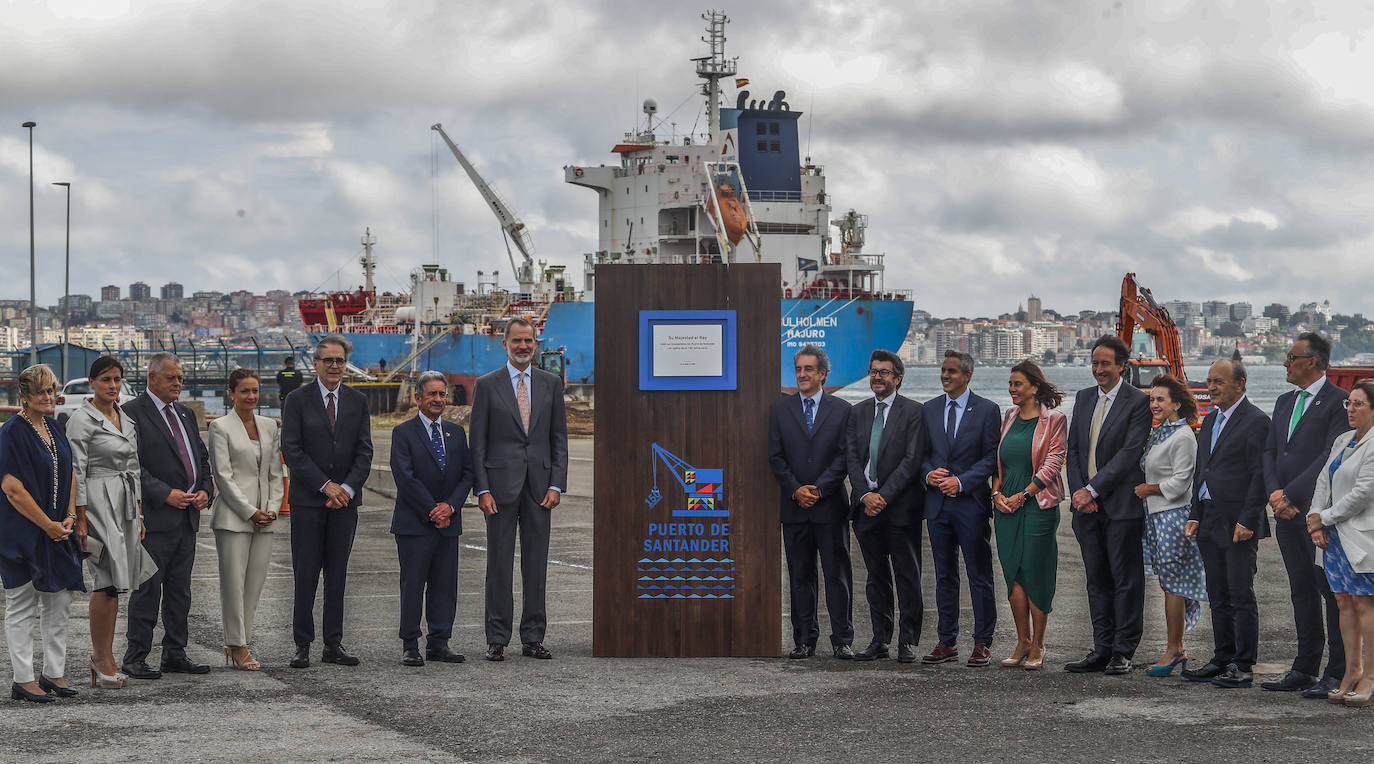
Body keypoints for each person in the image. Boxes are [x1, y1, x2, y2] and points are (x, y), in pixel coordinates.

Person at [470, 318, 568, 661]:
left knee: (536, 565)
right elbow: (477, 443)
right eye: (517, 341)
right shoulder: (486, 385)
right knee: (498, 565)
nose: (523, 346)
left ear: (536, 343)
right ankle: (497, 638)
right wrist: (481, 489)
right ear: (505, 344)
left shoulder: (551, 383)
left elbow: (559, 439)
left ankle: (533, 638)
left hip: (541, 489)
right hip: (498, 489)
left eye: (528, 340)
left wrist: (557, 484)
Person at [1262, 332, 1352, 697]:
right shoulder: (1284, 402)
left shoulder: (1338, 402)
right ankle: (1304, 666)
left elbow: (1330, 455)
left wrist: (1292, 494)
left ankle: (1337, 671)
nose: (1285, 363)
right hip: (1284, 512)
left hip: (1316, 513)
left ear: (1311, 361)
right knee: (1300, 590)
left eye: (1290, 357)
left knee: (1331, 592)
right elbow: (1270, 451)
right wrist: (1274, 493)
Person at [281, 334, 373, 669]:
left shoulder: (358, 401)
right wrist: (325, 485)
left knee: (337, 575)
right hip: (308, 502)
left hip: (344, 504)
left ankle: (333, 643)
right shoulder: (297, 400)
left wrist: (345, 489)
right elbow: (292, 450)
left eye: (339, 360)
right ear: (316, 364)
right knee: (305, 574)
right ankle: (302, 644)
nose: (334, 366)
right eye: (328, 360)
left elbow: (364, 451)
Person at [121, 352, 213, 679]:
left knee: (180, 592)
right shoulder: (132, 414)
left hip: (187, 519)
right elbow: (131, 466)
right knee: (147, 590)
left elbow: (201, 460)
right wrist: (164, 493)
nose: (178, 383)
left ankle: (175, 652)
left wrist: (205, 490)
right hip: (155, 520)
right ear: (152, 378)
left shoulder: (186, 414)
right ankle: (135, 656)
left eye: (180, 377)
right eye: (171, 377)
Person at [1064, 335, 1152, 675]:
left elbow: (1129, 455)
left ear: (1121, 366)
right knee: (1096, 578)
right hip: (1084, 507)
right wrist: (1078, 492)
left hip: (1119, 507)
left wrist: (1093, 490)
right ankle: (1101, 647)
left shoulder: (1137, 402)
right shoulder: (1084, 398)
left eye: (1106, 364)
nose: (1099, 369)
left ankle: (1123, 650)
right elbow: (1073, 451)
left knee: (1126, 579)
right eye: (1095, 363)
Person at [1181, 359, 1270, 689]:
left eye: (1218, 381)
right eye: (1209, 381)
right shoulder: (1210, 421)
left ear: (1240, 384)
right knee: (1217, 594)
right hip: (1209, 518)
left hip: (1238, 521)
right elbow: (1201, 472)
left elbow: (1260, 475)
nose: (1211, 387)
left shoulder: (1256, 421)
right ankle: (1222, 658)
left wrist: (1248, 518)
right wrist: (1194, 514)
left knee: (1239, 594)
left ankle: (1243, 664)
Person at [68, 356, 155, 690]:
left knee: (118, 579)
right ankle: (101, 658)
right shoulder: (81, 420)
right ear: (92, 382)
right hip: (96, 500)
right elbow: (77, 469)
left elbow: (133, 466)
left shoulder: (124, 418)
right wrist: (80, 517)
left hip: (124, 501)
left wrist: (139, 512)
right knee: (105, 576)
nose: (113, 386)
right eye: (106, 379)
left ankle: (104, 656)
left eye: (117, 379)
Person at [0, 364, 85, 702]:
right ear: (24, 397)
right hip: (21, 531)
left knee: (59, 600)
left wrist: (67, 515)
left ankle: (54, 672)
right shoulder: (11, 432)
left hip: (57, 529)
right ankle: (23, 679)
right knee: (21, 603)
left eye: (51, 390)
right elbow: (12, 489)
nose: (49, 397)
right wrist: (46, 524)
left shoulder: (54, 426)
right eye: (41, 392)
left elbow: (71, 473)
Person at [768, 345, 854, 659]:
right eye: (799, 369)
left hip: (829, 506)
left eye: (808, 370)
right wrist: (796, 489)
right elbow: (776, 457)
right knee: (800, 577)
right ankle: (804, 639)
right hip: (794, 508)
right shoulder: (779, 410)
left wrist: (817, 489)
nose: (802, 375)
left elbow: (845, 457)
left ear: (822, 374)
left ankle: (842, 639)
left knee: (837, 576)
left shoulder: (843, 410)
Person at [920, 350, 1001, 667]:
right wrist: (928, 473)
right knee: (944, 576)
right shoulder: (928, 410)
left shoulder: (986, 410)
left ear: (967, 375)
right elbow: (921, 454)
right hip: (937, 505)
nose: (945, 376)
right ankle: (946, 640)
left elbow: (991, 456)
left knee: (979, 574)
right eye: (943, 370)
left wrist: (962, 481)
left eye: (951, 371)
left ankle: (983, 642)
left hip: (970, 504)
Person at [845, 349, 926, 663]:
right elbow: (852, 458)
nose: (877, 377)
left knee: (908, 577)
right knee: (876, 578)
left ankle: (908, 641)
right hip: (866, 510)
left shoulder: (914, 412)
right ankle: (880, 639)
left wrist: (884, 496)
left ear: (898, 377)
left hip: (900, 509)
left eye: (884, 372)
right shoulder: (858, 412)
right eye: (873, 371)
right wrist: (865, 495)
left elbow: (911, 461)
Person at [390, 371, 472, 666]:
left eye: (442, 394)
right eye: (432, 394)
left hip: (448, 524)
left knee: (444, 585)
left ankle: (440, 641)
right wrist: (432, 510)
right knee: (413, 584)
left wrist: (449, 507)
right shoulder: (403, 433)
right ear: (418, 398)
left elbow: (467, 474)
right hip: (415, 524)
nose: (438, 400)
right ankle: (410, 643)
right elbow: (405, 477)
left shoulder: (456, 432)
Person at [991, 360, 1066, 671]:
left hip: (1037, 503)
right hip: (1005, 503)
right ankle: (1022, 640)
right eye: (1010, 384)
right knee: (1013, 572)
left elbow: (1053, 464)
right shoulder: (1008, 416)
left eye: (1018, 384)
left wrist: (1023, 495)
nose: (1012, 390)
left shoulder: (1054, 420)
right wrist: (996, 495)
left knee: (1036, 571)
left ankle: (1038, 643)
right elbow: (999, 464)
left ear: (1035, 387)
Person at [208, 369, 284, 671]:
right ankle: (237, 645)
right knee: (233, 584)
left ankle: (242, 640)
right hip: (234, 518)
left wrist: (273, 508)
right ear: (231, 393)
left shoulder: (268, 425)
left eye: (255, 391)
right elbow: (222, 476)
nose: (251, 396)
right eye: (244, 391)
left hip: (266, 517)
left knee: (254, 584)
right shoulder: (221, 427)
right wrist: (249, 510)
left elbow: (276, 473)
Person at [1134, 374, 1207, 677]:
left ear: (1177, 403)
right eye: (1152, 399)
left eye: (1161, 399)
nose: (1154, 404)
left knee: (1173, 586)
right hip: (1156, 517)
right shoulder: (1161, 433)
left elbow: (1181, 482)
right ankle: (1175, 647)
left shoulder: (1183, 436)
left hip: (1172, 516)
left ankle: (1174, 648)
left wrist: (1148, 489)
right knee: (1167, 584)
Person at [1307, 379, 1374, 706]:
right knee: (1343, 602)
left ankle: (1371, 678)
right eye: (1349, 403)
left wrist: (1325, 518)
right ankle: (1352, 671)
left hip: (1361, 535)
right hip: (1332, 538)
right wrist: (1314, 518)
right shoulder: (1342, 440)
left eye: (1358, 404)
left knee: (1365, 604)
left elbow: (1363, 493)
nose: (1350, 409)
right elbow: (1323, 482)